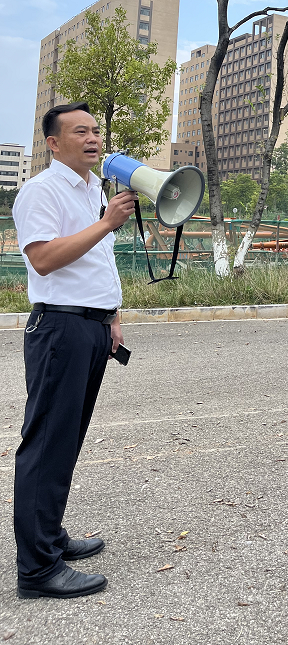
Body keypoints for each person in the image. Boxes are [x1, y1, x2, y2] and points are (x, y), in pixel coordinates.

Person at [11, 102, 135, 599]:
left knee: (67, 441)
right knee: (45, 444)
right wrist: (106, 223)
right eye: (79, 131)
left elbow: (97, 263)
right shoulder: (40, 191)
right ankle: (37, 571)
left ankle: (50, 537)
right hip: (58, 329)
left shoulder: (91, 189)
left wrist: (113, 317)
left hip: (89, 328)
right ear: (53, 142)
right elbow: (42, 260)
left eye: (95, 130)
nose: (92, 138)